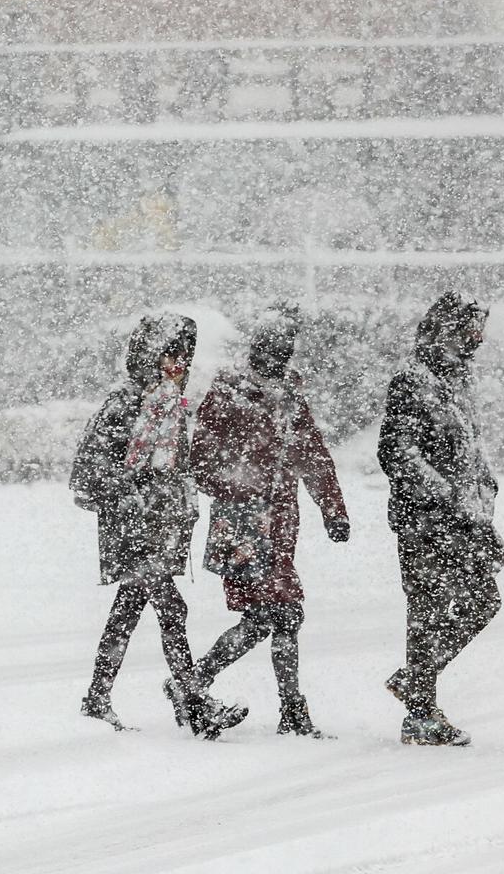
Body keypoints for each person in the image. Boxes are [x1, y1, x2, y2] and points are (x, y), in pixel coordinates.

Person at [72, 313, 246, 738]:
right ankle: (193, 702)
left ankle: (97, 697)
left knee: (127, 611)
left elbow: (173, 468)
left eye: (184, 356)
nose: (178, 364)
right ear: (148, 356)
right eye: (170, 354)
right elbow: (88, 471)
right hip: (132, 528)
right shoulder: (126, 404)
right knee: (172, 610)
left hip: (159, 528)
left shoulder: (168, 404)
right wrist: (133, 492)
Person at [185, 305, 351, 738]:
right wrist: (244, 484)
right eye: (272, 347)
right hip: (242, 525)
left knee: (276, 616)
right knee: (279, 614)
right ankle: (278, 707)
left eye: (284, 349)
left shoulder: (289, 396)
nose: (278, 356)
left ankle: (201, 684)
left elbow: (313, 455)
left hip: (277, 526)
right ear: (256, 348)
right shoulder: (229, 392)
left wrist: (333, 509)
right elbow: (199, 460)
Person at [377, 291, 504, 747]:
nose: (479, 339)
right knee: (427, 609)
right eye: (472, 329)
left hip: (464, 517)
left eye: (481, 330)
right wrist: (443, 494)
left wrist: (484, 492)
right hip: (424, 519)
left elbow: (469, 448)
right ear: (447, 329)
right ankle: (421, 713)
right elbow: (397, 452)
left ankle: (415, 683)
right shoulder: (412, 380)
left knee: (483, 600)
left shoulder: (459, 379)